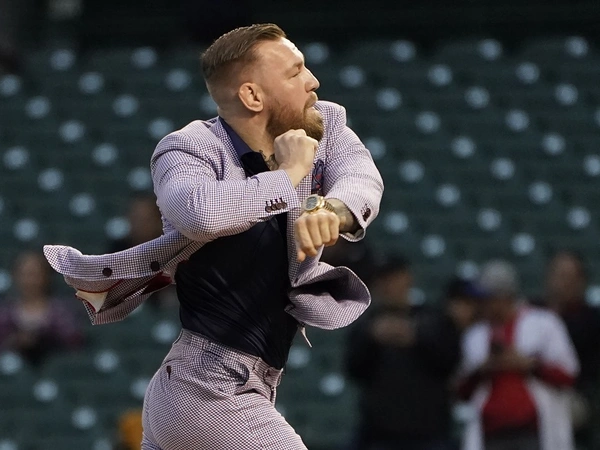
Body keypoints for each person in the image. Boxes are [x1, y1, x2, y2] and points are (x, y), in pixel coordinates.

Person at [43, 23, 383, 450]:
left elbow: (361, 178)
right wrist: (289, 175)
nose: (313, 81)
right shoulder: (188, 149)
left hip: (241, 386)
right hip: (205, 388)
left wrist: (332, 209)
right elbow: (199, 214)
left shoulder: (322, 124)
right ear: (253, 96)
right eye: (295, 72)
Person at [346, 258, 480, 450]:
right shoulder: (367, 324)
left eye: (395, 278)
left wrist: (416, 336)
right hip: (380, 433)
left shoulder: (433, 319)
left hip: (429, 432)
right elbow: (353, 368)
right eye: (385, 280)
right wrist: (372, 338)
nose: (390, 286)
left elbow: (450, 360)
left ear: (407, 279)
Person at [458, 260, 579, 450]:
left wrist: (529, 364)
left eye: (487, 298)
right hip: (490, 433)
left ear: (504, 297)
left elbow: (568, 375)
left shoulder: (544, 323)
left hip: (533, 430)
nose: (482, 305)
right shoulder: (475, 335)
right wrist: (484, 368)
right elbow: (462, 392)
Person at [540, 250, 600, 443]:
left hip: (575, 395)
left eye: (569, 276)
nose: (563, 283)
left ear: (582, 281)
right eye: (559, 275)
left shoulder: (593, 320)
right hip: (533, 391)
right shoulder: (532, 313)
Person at [0, 251, 83, 365]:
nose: (29, 281)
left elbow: (74, 344)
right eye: (24, 274)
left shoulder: (61, 312)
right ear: (15, 276)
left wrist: (43, 340)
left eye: (34, 274)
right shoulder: (4, 314)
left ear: (46, 276)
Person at [108, 195, 178, 311]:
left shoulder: (174, 251)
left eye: (146, 220)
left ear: (158, 221)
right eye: (135, 218)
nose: (139, 225)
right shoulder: (116, 252)